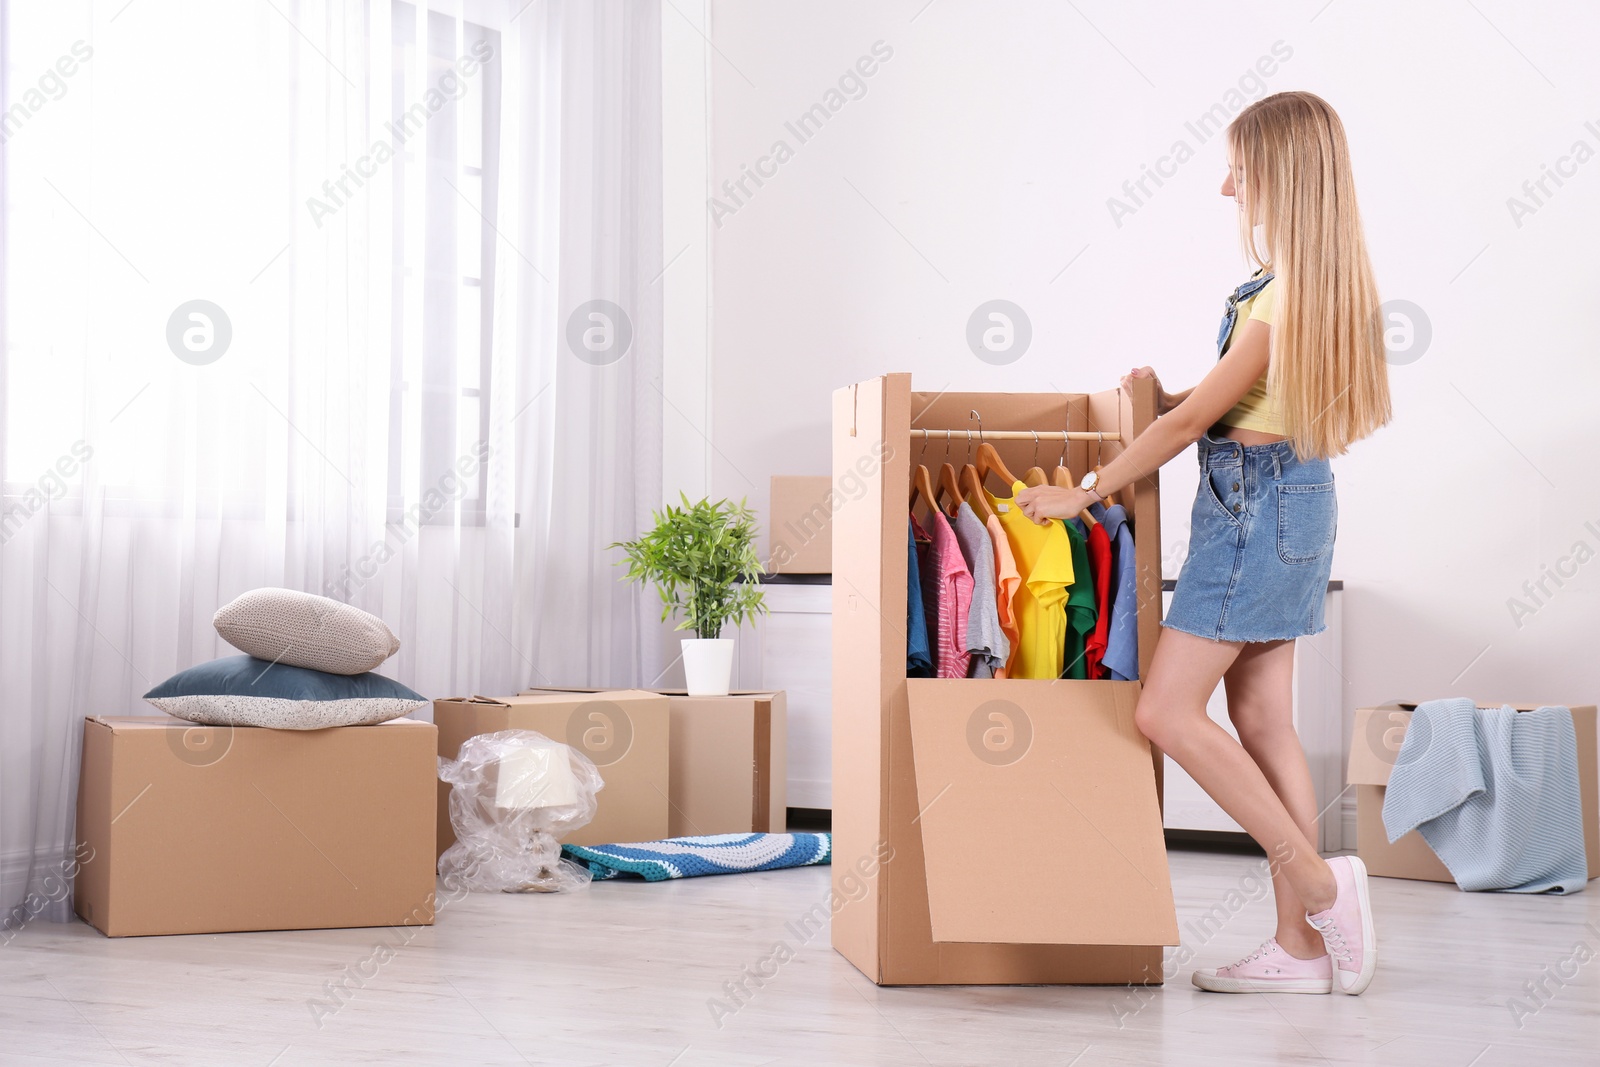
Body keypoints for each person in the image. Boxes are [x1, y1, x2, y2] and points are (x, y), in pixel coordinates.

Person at [1016, 91, 1391, 996]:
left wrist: (1087, 490)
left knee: (1165, 711)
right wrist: (1167, 390)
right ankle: (1303, 952)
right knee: (1262, 721)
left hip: (1250, 508)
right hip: (1295, 499)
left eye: (1241, 169)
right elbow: (1241, 399)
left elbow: (1193, 424)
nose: (1228, 187)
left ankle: (1316, 881)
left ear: (1282, 175)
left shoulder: (1284, 288)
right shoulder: (1310, 281)